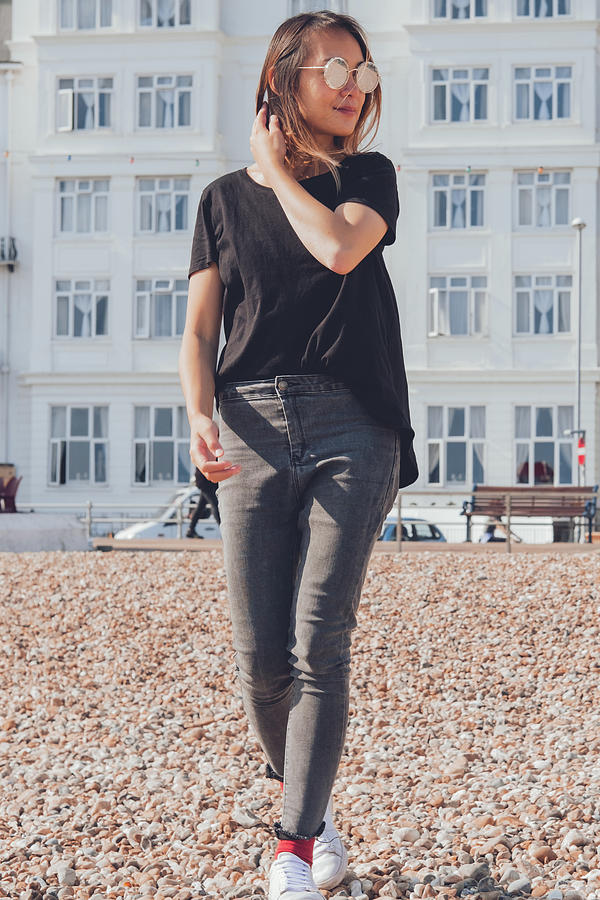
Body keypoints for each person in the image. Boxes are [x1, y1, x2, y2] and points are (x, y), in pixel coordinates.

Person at [179, 11, 418, 899]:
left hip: (354, 425)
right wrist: (197, 413)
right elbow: (202, 326)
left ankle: (289, 846)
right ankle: (314, 815)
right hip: (246, 425)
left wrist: (276, 166)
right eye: (333, 68)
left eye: (362, 68)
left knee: (321, 642)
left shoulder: (368, 177)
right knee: (260, 663)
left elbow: (338, 247)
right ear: (284, 80)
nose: (354, 83)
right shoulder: (219, 202)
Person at [186, 466, 221, 538]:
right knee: (214, 505)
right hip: (206, 483)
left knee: (200, 507)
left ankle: (191, 529)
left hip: (206, 482)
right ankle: (223, 530)